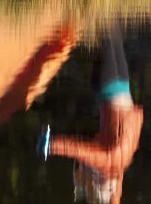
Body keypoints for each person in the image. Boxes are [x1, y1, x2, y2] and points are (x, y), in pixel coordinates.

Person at [37, 24, 143, 204]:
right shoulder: (111, 164)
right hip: (117, 87)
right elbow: (79, 150)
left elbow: (114, 191)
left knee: (108, 35)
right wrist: (51, 145)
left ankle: (90, 8)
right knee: (111, 32)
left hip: (111, 88)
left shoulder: (116, 165)